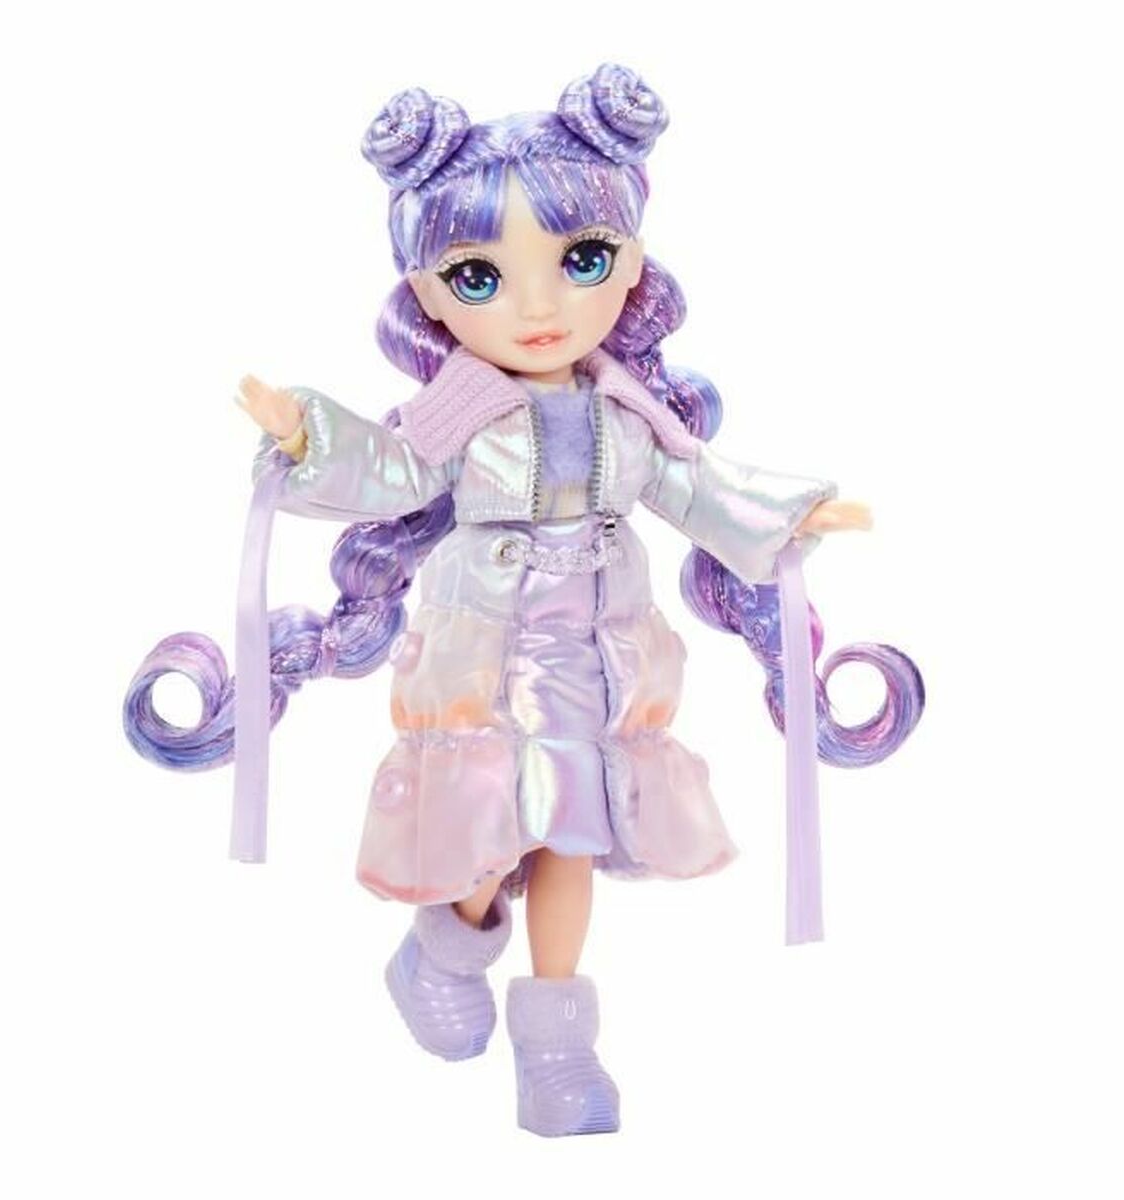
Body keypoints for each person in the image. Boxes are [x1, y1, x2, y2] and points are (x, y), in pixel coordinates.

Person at [125, 62, 923, 1137]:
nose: (539, 307)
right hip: (485, 653)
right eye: (479, 276)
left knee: (571, 834)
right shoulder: (464, 400)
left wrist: (787, 512)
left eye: (580, 261)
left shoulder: (629, 407)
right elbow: (394, 471)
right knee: (489, 831)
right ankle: (447, 950)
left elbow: (693, 487)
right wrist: (309, 434)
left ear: (630, 266)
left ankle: (556, 1047)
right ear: (426, 292)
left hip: (598, 656)